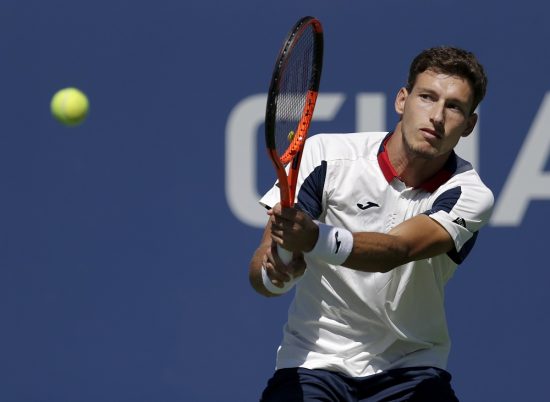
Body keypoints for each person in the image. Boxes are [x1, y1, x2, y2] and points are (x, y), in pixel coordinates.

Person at [249, 46, 493, 401]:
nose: (437, 116)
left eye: (453, 107)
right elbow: (261, 274)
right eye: (427, 97)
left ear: (469, 125)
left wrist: (314, 238)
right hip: (314, 362)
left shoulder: (468, 193)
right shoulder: (326, 157)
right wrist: (276, 273)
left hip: (411, 369)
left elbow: (396, 250)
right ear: (402, 101)